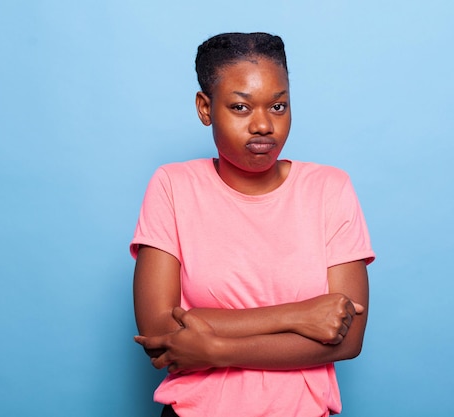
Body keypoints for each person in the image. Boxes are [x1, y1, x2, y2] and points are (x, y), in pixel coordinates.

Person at [130, 32, 375, 417]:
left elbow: (347, 339)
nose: (263, 125)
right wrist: (297, 315)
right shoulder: (173, 186)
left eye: (278, 106)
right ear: (205, 108)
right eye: (241, 108)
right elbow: (160, 331)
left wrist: (215, 349)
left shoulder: (330, 188)